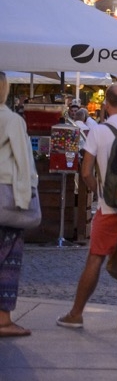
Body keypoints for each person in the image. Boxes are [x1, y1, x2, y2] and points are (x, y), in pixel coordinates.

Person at [57, 84, 117, 332]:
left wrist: (98, 192)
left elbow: (86, 171)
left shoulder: (98, 131)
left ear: (107, 103)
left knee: (95, 258)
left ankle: (76, 314)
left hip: (110, 207)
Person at [0, 72, 37, 337]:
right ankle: (3, 319)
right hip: (5, 193)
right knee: (8, 259)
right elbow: (24, 162)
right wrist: (24, 198)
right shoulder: (11, 119)